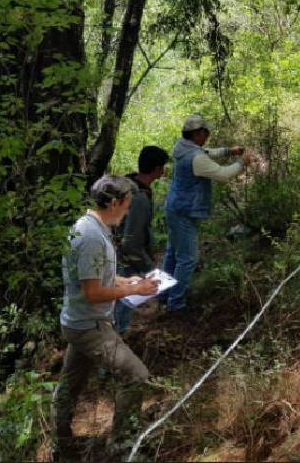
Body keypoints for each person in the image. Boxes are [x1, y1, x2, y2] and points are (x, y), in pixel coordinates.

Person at [53, 176, 161, 459]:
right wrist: (136, 289)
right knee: (136, 375)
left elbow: (99, 278)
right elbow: (92, 292)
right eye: (126, 206)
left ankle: (60, 442)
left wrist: (128, 282)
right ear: (114, 203)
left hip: (78, 321)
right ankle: (123, 447)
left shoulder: (90, 228)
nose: (127, 212)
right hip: (90, 325)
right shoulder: (91, 237)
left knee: (70, 384)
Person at [162, 114, 251, 314]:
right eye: (205, 133)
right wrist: (242, 162)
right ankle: (176, 304)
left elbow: (208, 152)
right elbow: (222, 174)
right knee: (188, 258)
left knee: (172, 255)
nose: (207, 137)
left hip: (175, 207)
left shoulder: (183, 147)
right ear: (197, 133)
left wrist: (229, 151)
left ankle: (163, 295)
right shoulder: (196, 157)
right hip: (184, 211)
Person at [113, 145, 170, 335]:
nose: (163, 171)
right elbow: (131, 241)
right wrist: (148, 269)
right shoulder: (139, 198)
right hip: (126, 261)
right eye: (162, 167)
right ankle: (110, 358)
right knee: (120, 312)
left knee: (114, 309)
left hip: (114, 255)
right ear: (156, 169)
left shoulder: (127, 185)